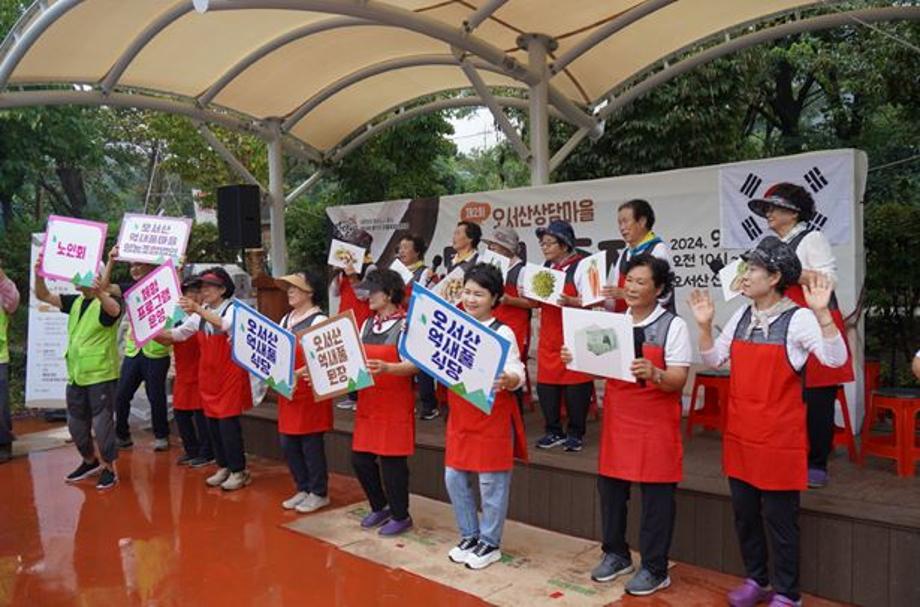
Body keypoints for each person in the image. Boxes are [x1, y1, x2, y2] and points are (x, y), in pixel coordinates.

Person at [688, 236, 847, 607]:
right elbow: (714, 360)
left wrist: (824, 315)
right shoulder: (743, 315)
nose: (744, 276)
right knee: (745, 516)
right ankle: (757, 579)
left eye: (752, 269)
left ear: (774, 277)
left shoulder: (799, 318)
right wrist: (706, 327)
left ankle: (788, 593)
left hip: (778, 439)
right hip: (742, 435)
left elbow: (835, 359)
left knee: (780, 520)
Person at [562, 254, 690, 596]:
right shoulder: (614, 322)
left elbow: (679, 378)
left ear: (659, 289)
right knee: (611, 492)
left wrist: (656, 373)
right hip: (619, 420)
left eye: (641, 282)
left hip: (656, 422)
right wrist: (575, 358)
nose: (631, 288)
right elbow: (599, 365)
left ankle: (655, 567)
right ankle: (616, 553)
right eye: (629, 281)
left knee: (656, 497)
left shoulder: (673, 326)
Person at [748, 183, 854, 489]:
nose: (768, 214)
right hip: (783, 322)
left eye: (774, 208)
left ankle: (817, 462)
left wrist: (789, 269)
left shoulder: (813, 238)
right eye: (766, 209)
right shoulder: (770, 242)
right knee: (785, 392)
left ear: (792, 213)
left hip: (814, 319)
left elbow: (827, 279)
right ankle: (788, 454)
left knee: (817, 395)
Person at [444, 264, 528, 570]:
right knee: (454, 477)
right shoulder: (453, 324)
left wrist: (508, 379)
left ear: (495, 298)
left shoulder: (502, 331)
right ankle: (469, 534)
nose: (470, 298)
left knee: (491, 482)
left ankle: (490, 543)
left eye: (479, 294)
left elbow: (518, 369)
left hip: (491, 415)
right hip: (461, 415)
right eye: (466, 292)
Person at [158, 267, 254, 491]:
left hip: (230, 376)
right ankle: (223, 466)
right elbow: (179, 334)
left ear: (222, 289)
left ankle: (239, 470)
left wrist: (197, 310)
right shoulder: (200, 313)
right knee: (212, 424)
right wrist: (151, 333)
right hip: (209, 377)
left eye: (210, 286)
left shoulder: (234, 308)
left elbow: (225, 325)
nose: (205, 290)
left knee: (228, 424)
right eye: (203, 286)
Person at [35, 258, 122, 490]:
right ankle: (89, 461)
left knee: (102, 425)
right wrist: (38, 273)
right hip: (76, 375)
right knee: (76, 425)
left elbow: (114, 310)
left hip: (101, 375)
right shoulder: (75, 302)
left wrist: (99, 292)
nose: (74, 277)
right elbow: (43, 296)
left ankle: (108, 468)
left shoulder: (107, 302)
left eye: (79, 274)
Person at [351, 268, 418, 536]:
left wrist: (389, 368)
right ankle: (380, 506)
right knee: (360, 459)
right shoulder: (366, 324)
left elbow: (416, 366)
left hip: (395, 403)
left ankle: (402, 515)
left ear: (389, 294)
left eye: (374, 290)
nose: (368, 296)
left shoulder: (406, 325)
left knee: (393, 464)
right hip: (369, 402)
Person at [100, 246, 172, 451]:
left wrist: (178, 264)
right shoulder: (129, 288)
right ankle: (122, 435)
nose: (134, 269)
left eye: (138, 264)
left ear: (150, 265)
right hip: (134, 350)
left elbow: (176, 285)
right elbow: (104, 288)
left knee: (155, 395)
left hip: (156, 350)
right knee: (122, 394)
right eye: (131, 265)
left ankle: (161, 436)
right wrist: (111, 261)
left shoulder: (162, 285)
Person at [532, 220, 594, 452]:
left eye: (550, 243)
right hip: (550, 336)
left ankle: (576, 433)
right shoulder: (546, 267)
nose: (545, 248)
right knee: (547, 387)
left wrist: (571, 301)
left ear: (565, 244)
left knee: (576, 387)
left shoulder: (582, 267)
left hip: (574, 336)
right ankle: (553, 431)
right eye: (543, 243)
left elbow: (592, 300)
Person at [275, 270, 333, 514]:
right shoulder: (285, 319)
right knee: (288, 443)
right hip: (288, 392)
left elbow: (325, 358)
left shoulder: (319, 321)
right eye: (289, 287)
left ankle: (318, 492)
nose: (290, 291)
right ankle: (302, 486)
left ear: (310, 293)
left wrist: (299, 373)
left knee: (310, 444)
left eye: (296, 287)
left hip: (310, 392)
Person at [154, 275, 213, 467]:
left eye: (197, 291)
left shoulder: (207, 314)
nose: (194, 296)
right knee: (180, 413)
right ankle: (191, 450)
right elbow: (169, 337)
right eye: (189, 292)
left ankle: (206, 453)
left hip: (203, 372)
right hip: (183, 372)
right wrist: (147, 332)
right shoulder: (177, 316)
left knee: (200, 415)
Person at [482, 227, 538, 396]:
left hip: (515, 326)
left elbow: (533, 303)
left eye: (494, 245)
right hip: (492, 323)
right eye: (490, 245)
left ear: (506, 248)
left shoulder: (522, 270)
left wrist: (510, 300)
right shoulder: (491, 267)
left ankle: (515, 412)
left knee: (512, 368)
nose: (491, 249)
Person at [603, 199, 672, 313]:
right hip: (625, 322)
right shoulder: (625, 253)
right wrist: (600, 299)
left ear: (642, 221)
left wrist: (626, 294)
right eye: (619, 223)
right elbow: (614, 298)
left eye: (625, 222)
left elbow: (665, 297)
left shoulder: (658, 250)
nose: (622, 228)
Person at [333, 230, 374, 411]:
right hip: (345, 316)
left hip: (362, 316)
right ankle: (352, 395)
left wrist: (353, 277)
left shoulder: (370, 267)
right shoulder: (343, 267)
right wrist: (338, 273)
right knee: (347, 355)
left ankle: (363, 396)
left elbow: (364, 295)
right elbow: (335, 292)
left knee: (361, 356)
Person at [0, 261, 20, 464]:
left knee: (0, 405)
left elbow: (13, 303)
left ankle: (3, 443)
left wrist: (2, 276)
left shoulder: (3, 287)